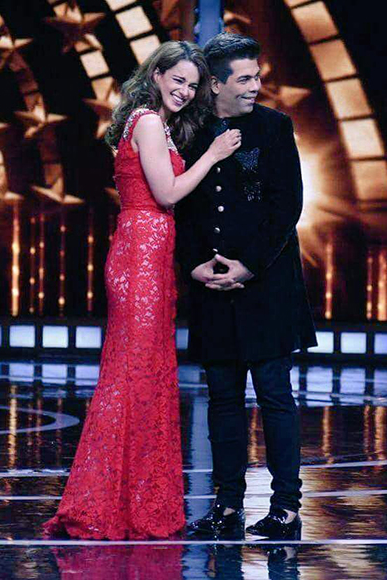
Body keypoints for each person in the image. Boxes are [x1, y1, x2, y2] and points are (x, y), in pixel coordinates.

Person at [43, 41, 241, 540]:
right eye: (178, 80)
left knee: (142, 376)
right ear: (156, 76)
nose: (185, 91)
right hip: (139, 257)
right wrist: (213, 155)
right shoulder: (149, 123)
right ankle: (106, 503)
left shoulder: (153, 123)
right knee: (132, 377)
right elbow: (166, 193)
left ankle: (131, 500)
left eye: (192, 85)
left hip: (149, 254)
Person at [175, 33, 317, 540]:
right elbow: (181, 204)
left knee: (275, 396)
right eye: (245, 78)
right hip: (212, 286)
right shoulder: (189, 130)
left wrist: (248, 267)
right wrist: (195, 264)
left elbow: (287, 206)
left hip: (267, 285)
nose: (255, 86)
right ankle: (227, 505)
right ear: (215, 84)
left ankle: (286, 509)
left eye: (257, 77)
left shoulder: (275, 127)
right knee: (222, 399)